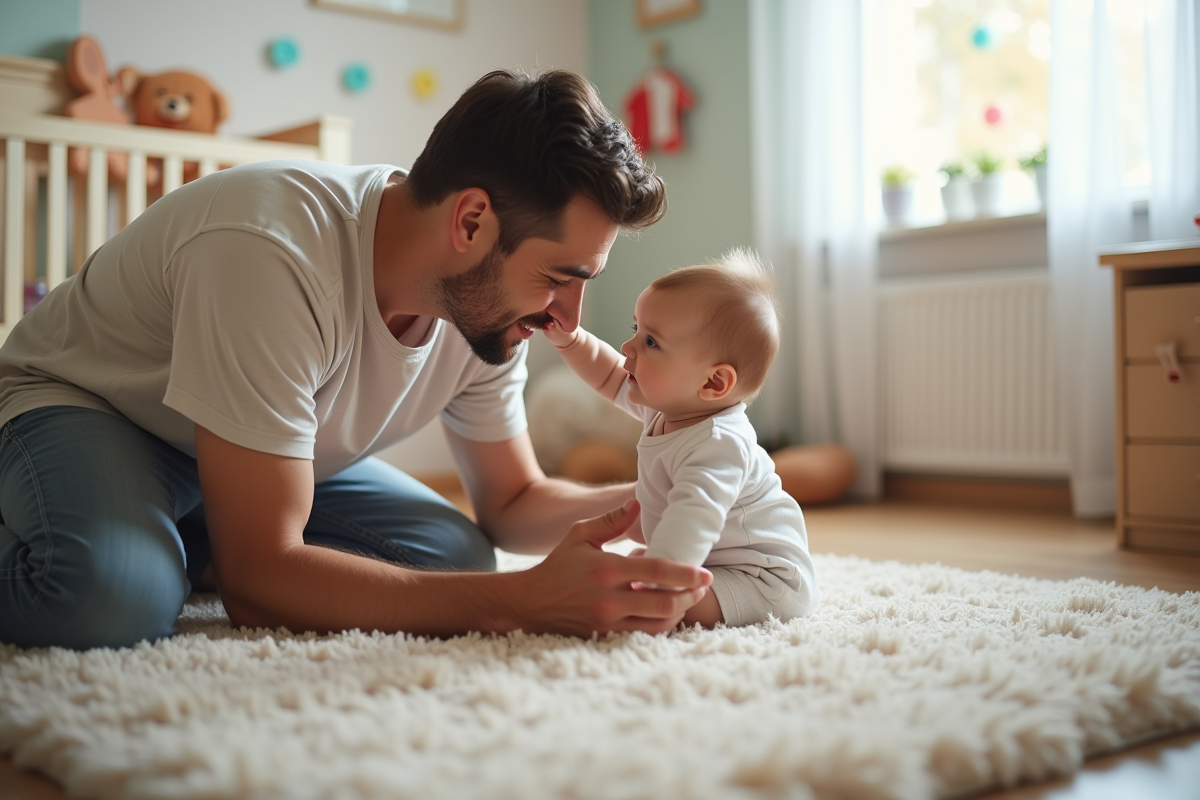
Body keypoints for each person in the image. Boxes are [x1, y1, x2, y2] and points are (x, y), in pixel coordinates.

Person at [0, 69, 714, 651]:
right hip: (88, 410)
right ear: (470, 222)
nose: (566, 317)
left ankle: (179, 539)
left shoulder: (488, 312)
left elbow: (513, 503)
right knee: (108, 600)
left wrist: (669, 498)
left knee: (451, 554)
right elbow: (257, 584)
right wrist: (521, 601)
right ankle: (143, 545)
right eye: (561, 276)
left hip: (252, 452)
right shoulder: (272, 249)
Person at [541, 249, 818, 628]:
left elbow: (693, 516)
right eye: (634, 329)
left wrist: (660, 579)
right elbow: (609, 376)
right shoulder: (669, 409)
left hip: (767, 580)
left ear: (713, 382)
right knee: (641, 573)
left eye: (651, 342)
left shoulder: (720, 443)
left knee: (670, 604)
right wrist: (571, 341)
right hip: (716, 562)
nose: (628, 348)